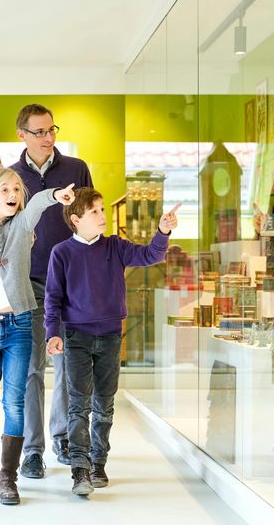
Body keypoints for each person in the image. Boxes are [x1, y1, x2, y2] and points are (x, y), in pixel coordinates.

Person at [0, 167, 75, 505]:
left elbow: (37, 204)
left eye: (16, 189)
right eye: (4, 189)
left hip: (19, 325)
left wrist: (56, 195)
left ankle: (8, 476)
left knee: (14, 402)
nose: (13, 194)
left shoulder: (21, 226)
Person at [45, 188, 178, 496]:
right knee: (78, 405)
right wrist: (53, 332)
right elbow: (53, 298)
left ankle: (98, 463)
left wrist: (163, 232)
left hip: (110, 336)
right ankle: (79, 469)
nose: (102, 216)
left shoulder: (115, 246)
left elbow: (151, 255)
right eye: (95, 212)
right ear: (76, 219)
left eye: (102, 209)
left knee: (104, 404)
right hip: (75, 337)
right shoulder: (61, 253)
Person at [9, 103, 94, 478]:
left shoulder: (76, 169)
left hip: (70, 283)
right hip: (26, 282)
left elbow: (91, 219)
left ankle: (62, 439)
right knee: (31, 369)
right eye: (40, 132)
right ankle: (32, 449)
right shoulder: (10, 176)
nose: (48, 138)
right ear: (22, 135)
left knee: (67, 366)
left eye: (52, 130)